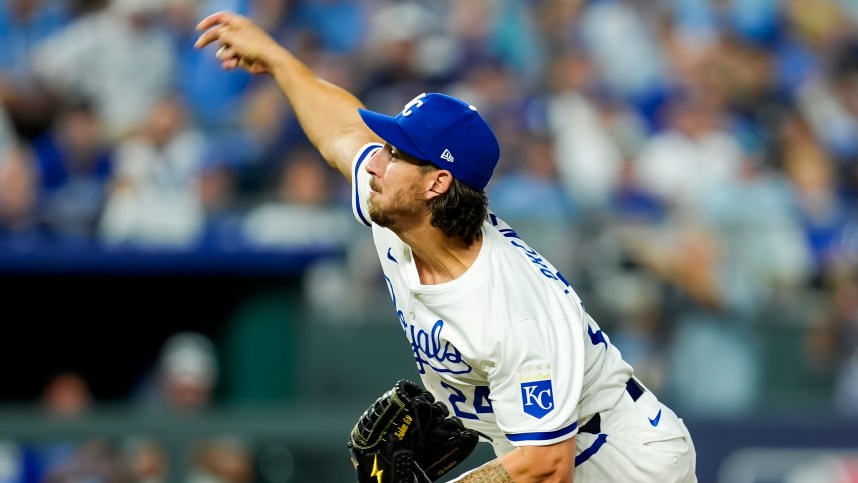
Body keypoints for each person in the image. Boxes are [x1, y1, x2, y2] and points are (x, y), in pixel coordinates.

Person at [195, 11, 697, 482]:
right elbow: (343, 130)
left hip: (625, 463)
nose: (374, 163)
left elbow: (548, 466)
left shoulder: (512, 308)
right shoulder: (396, 209)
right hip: (546, 453)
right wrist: (280, 62)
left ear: (436, 184)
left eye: (393, 153)